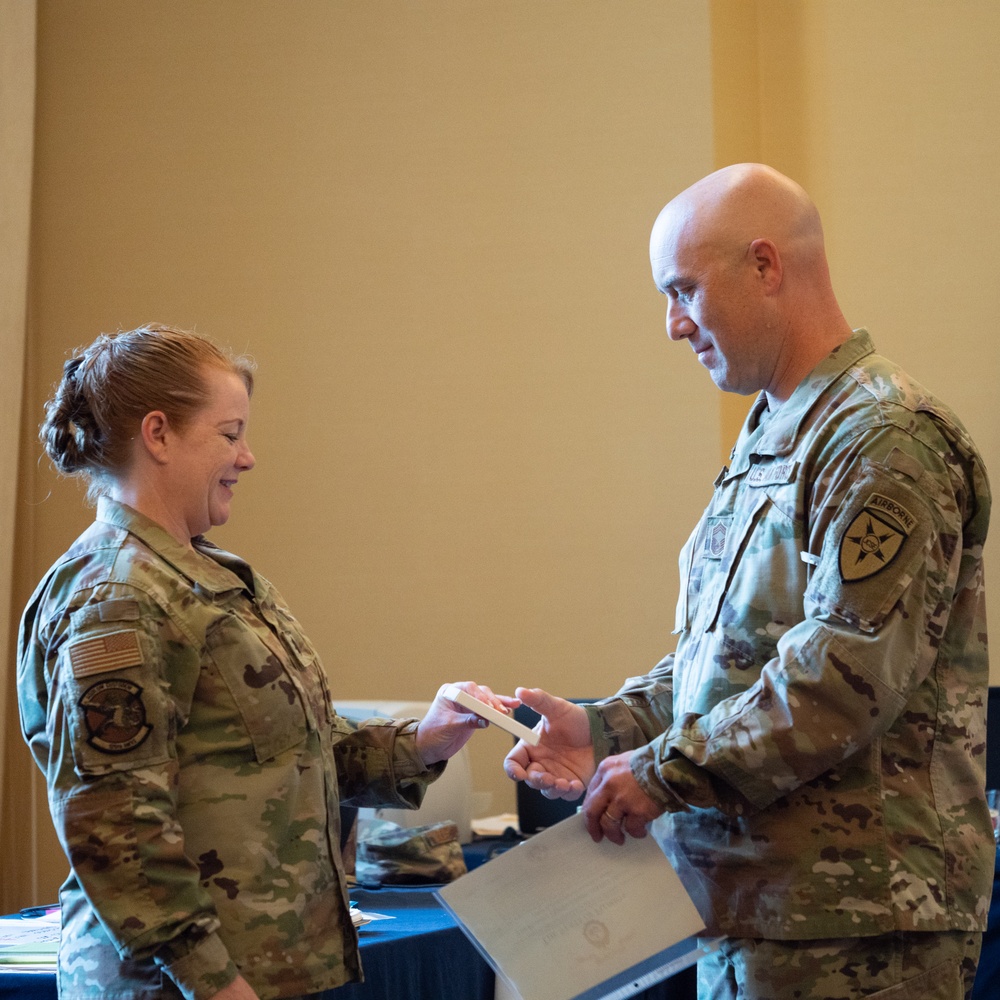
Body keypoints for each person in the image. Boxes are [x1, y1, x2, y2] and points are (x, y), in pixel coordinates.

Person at [505, 164, 993, 1000]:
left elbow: (840, 679)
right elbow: (726, 658)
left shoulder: (883, 439)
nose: (672, 325)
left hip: (859, 924)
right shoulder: (774, 433)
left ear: (766, 266)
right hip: (751, 905)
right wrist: (607, 728)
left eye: (684, 290)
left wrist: (662, 774)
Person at [17, 324, 517, 1000]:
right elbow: (116, 827)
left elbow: (290, 758)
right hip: (179, 987)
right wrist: (215, 984)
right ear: (158, 435)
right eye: (229, 435)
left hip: (264, 971)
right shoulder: (116, 599)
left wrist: (425, 742)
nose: (247, 457)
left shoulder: (214, 575)